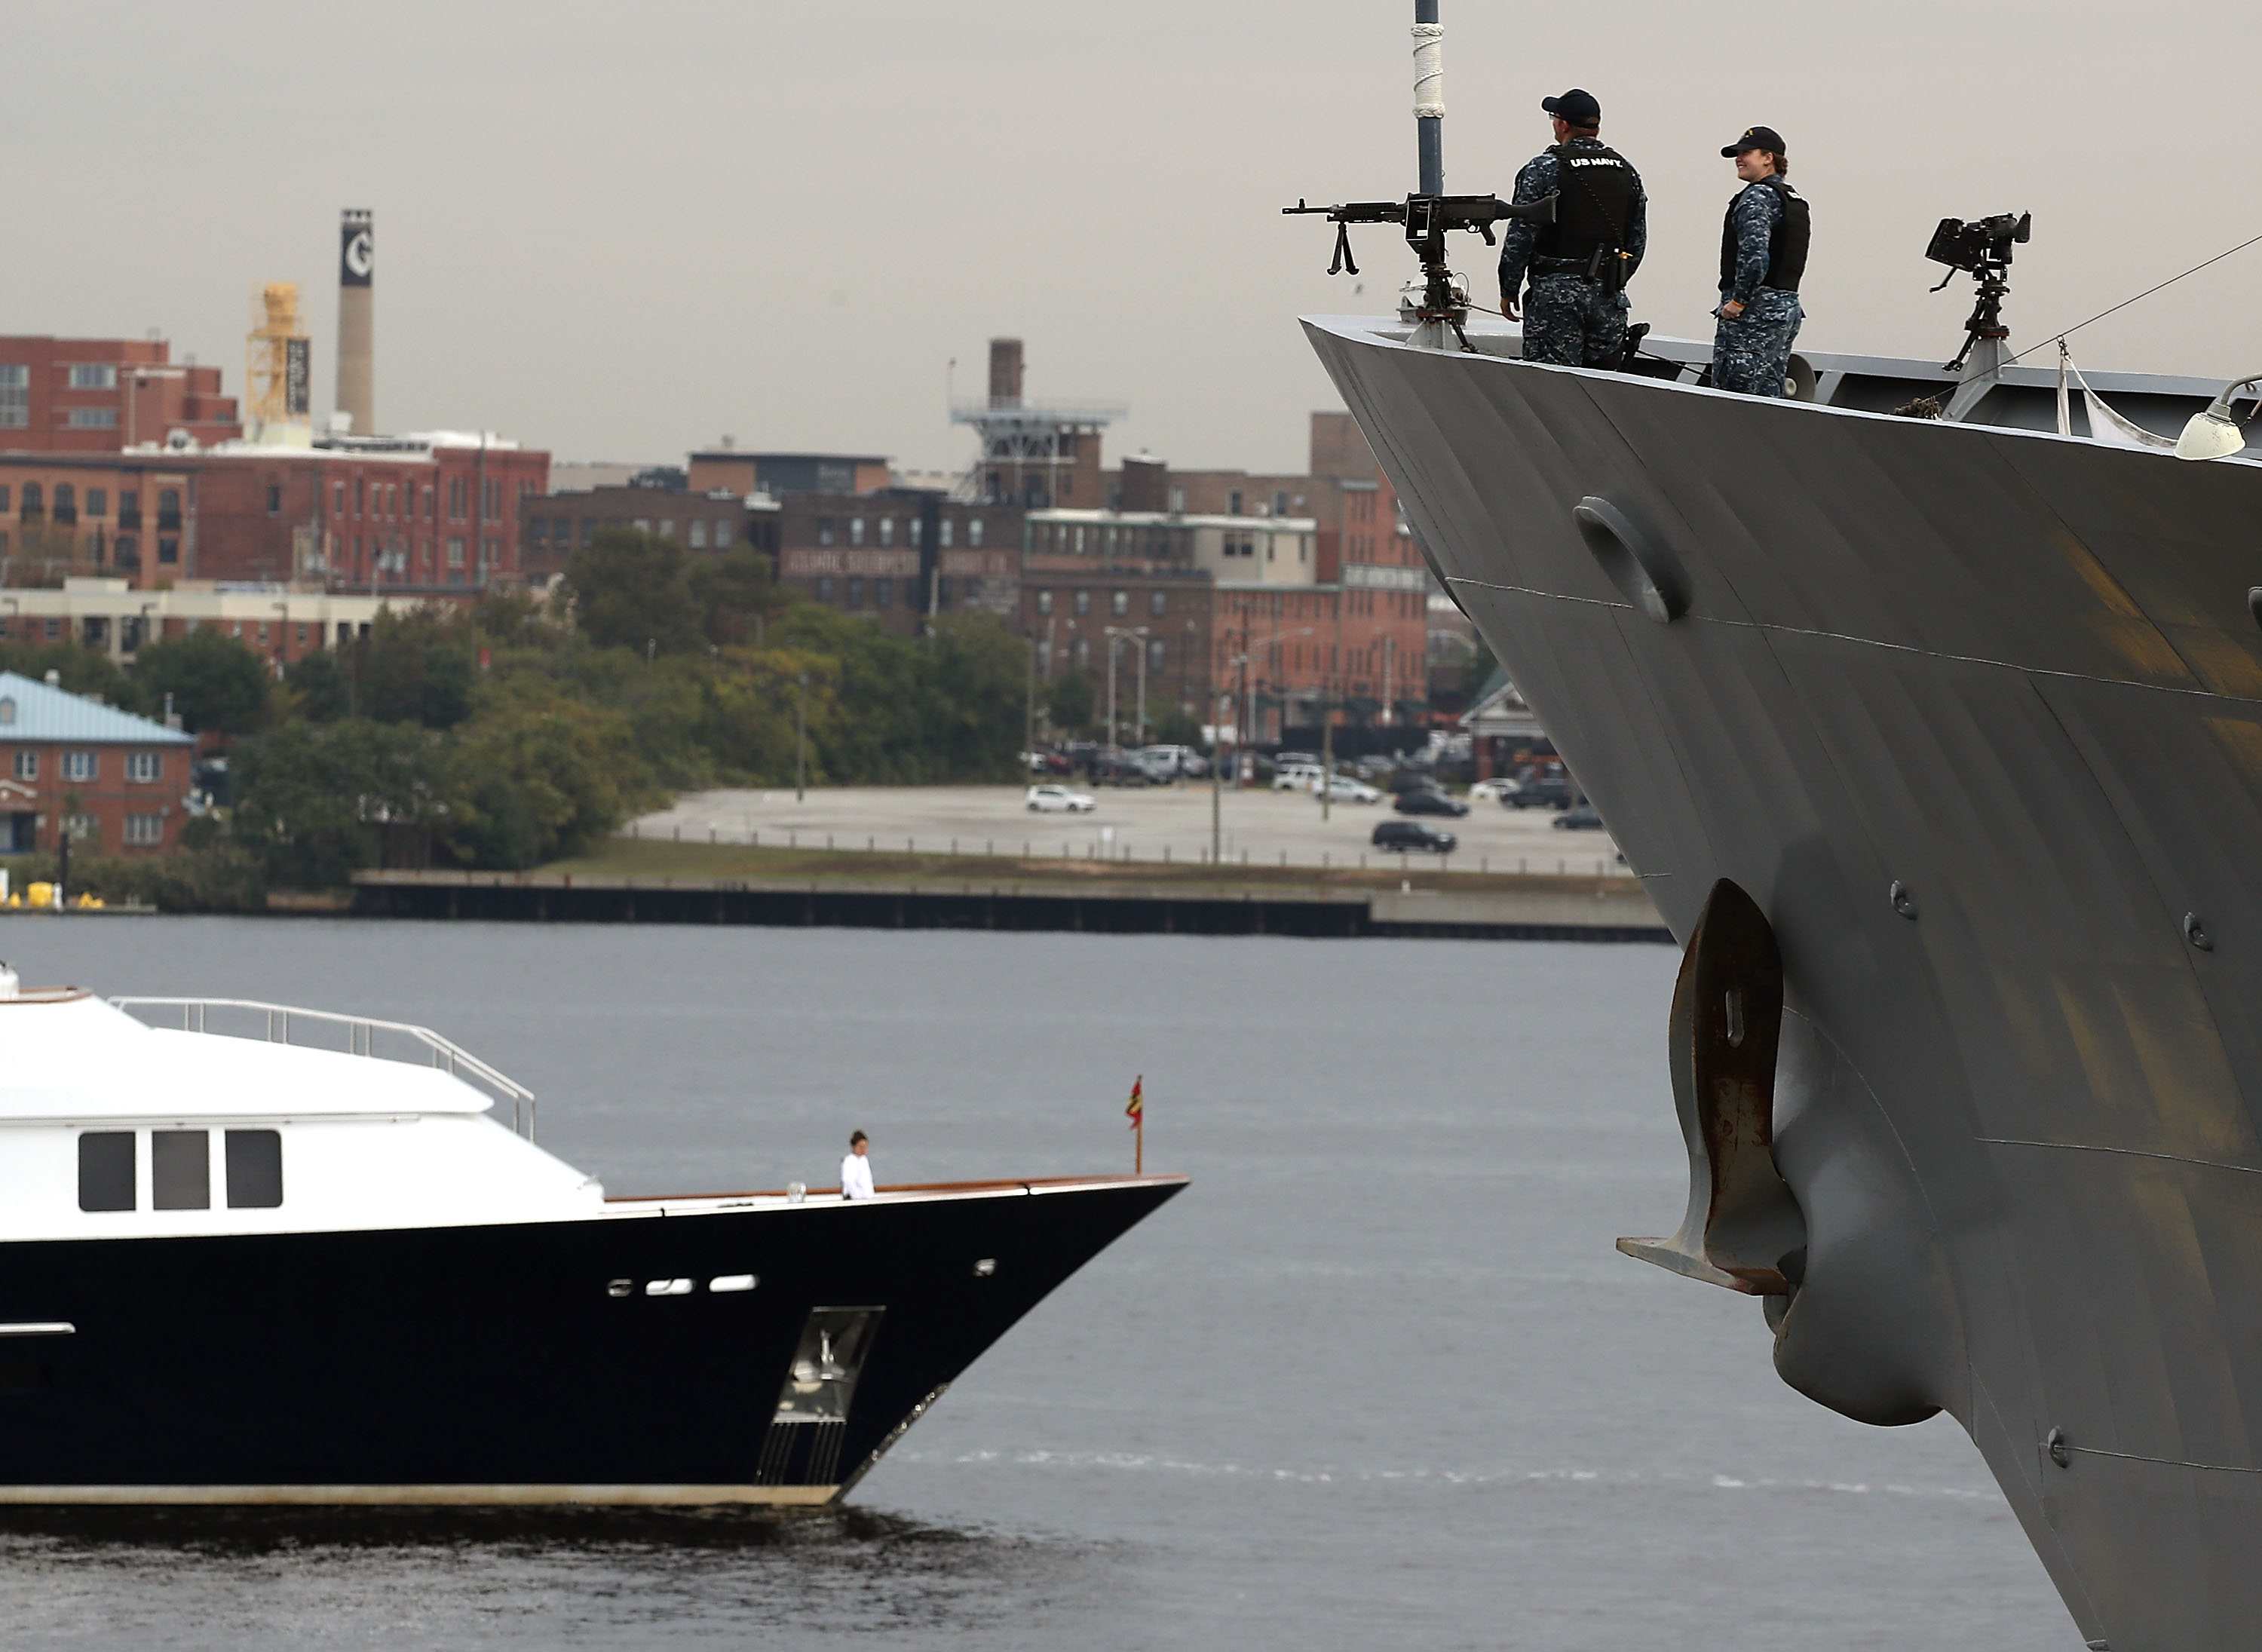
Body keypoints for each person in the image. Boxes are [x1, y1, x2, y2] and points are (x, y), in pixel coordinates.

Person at [1497, 88, 1647, 369]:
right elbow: (1637, 241)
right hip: (1609, 301)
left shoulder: (1544, 168)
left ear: (1563, 124)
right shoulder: (1626, 171)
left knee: (1552, 390)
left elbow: (1521, 236)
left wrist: (1509, 289)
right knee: (1602, 393)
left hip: (1555, 299)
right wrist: (1612, 280)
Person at [1710, 126, 1810, 397]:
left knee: (1733, 399)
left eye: (1747, 153)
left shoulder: (1758, 196)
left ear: (1769, 158)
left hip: (1754, 312)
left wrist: (1738, 302)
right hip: (1785, 310)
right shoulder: (1794, 199)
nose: (1739, 159)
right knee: (1767, 399)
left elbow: (1754, 257)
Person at [840, 1129, 874, 1200]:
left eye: (865, 1147)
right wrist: (856, 1198)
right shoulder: (850, 1160)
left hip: (867, 1198)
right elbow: (848, 1180)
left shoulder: (864, 1160)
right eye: (861, 1147)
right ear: (854, 1146)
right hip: (854, 1199)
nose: (863, 1150)